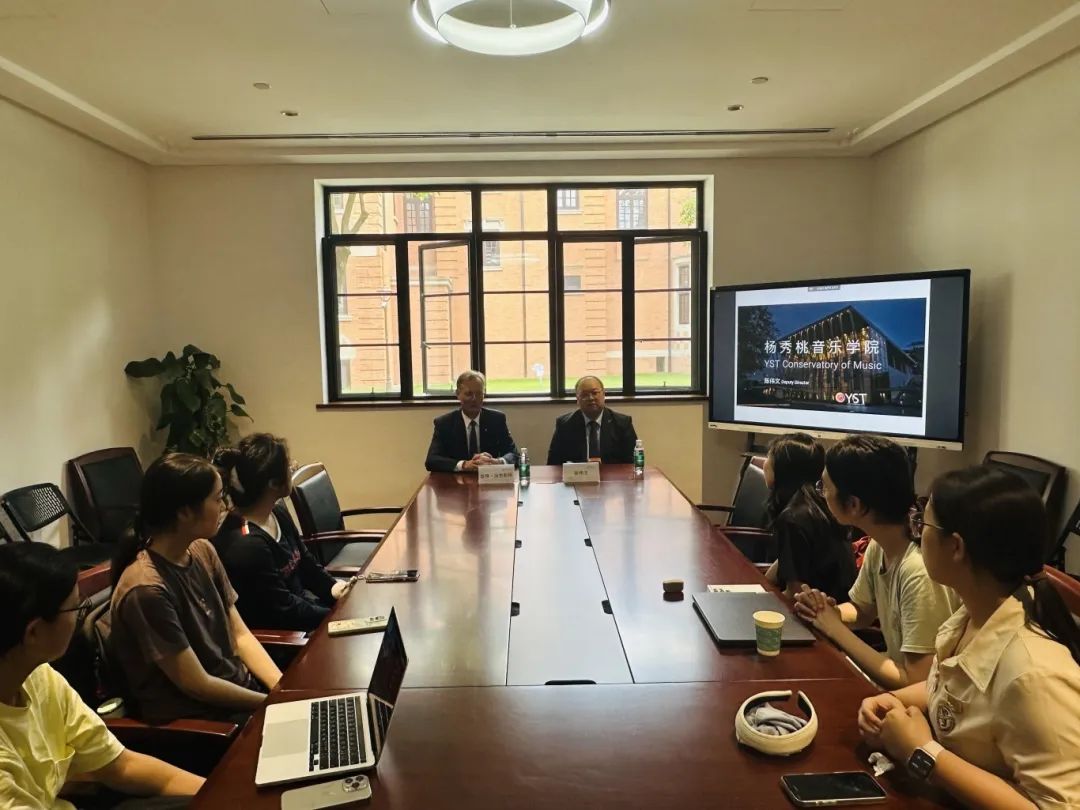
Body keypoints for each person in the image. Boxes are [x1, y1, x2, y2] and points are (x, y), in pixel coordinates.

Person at [857, 467, 1080, 808]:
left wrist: (922, 751)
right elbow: (959, 690)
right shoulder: (974, 614)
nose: (917, 534)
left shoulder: (1033, 675)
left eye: (923, 524)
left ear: (956, 547)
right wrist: (893, 699)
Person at [0, 543, 203, 809]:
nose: (79, 617)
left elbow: (121, 765)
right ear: (34, 632)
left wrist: (224, 793)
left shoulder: (38, 676)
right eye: (76, 608)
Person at [109, 453, 282, 725]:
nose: (225, 506)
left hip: (242, 695)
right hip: (207, 720)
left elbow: (240, 635)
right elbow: (198, 685)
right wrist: (271, 704)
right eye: (217, 498)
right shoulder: (146, 590)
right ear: (185, 512)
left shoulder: (202, 550)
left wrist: (282, 690)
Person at [794, 435, 957, 689]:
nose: (822, 494)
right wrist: (827, 612)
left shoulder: (918, 572)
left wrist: (835, 629)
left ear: (854, 504)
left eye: (824, 487)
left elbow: (916, 681)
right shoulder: (880, 544)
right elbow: (863, 610)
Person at [213, 434, 353, 633]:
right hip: (287, 637)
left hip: (306, 613)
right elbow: (285, 610)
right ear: (273, 483)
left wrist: (334, 589)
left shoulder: (276, 512)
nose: (293, 467)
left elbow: (306, 563)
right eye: (288, 465)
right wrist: (338, 617)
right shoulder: (246, 545)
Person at [761, 433, 856, 602]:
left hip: (818, 609)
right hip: (841, 603)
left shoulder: (793, 517)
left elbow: (795, 594)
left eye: (769, 457)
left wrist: (758, 601)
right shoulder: (819, 502)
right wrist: (762, 584)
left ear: (784, 469)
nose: (764, 463)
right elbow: (792, 558)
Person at [425, 370, 518, 473]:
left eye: (479, 394)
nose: (474, 399)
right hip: (456, 480)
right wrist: (464, 465)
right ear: (458, 394)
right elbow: (432, 460)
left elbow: (514, 454)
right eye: (469, 394)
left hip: (489, 478)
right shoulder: (444, 423)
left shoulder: (496, 419)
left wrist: (498, 462)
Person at [546, 376, 638, 465]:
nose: (591, 398)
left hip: (612, 475)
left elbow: (633, 462)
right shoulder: (565, 425)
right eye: (584, 395)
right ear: (577, 399)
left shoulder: (622, 423)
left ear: (604, 394)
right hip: (578, 475)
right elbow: (553, 464)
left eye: (595, 393)